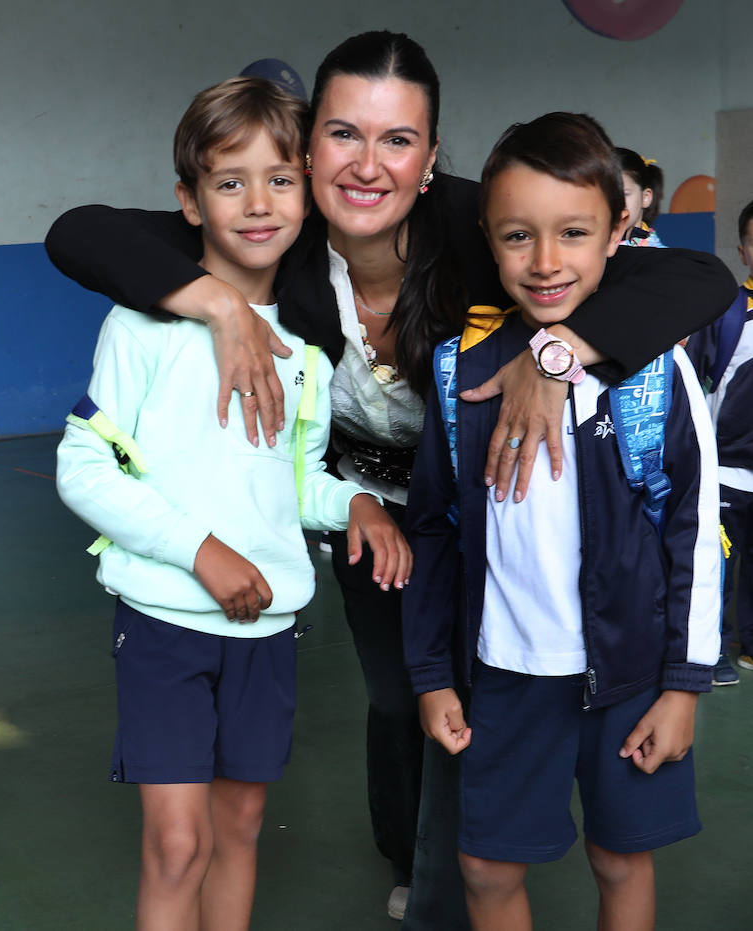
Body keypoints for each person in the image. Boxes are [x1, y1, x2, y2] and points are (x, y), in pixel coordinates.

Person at [44, 31, 735, 925]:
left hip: (487, 499)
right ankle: (407, 853)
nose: (368, 165)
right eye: (342, 136)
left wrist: (557, 351)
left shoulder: (477, 228)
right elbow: (78, 235)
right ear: (305, 148)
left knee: (490, 686)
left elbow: (698, 276)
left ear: (431, 157)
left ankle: (453, 882)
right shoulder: (277, 236)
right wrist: (215, 304)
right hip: (364, 502)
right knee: (402, 688)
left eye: (398, 140)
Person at [57, 75, 410, 931]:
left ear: (310, 196)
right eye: (229, 181)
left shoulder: (306, 353)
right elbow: (82, 468)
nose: (258, 203)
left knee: (241, 825)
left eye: (281, 180)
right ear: (190, 200)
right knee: (177, 843)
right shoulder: (141, 325)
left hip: (267, 628)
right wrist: (200, 549)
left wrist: (357, 501)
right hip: (166, 620)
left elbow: (293, 485)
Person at [405, 111, 719, 931]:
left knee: (621, 858)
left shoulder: (653, 371)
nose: (546, 262)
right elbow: (434, 527)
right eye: (517, 236)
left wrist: (683, 685)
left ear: (619, 229)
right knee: (485, 865)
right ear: (487, 236)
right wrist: (432, 672)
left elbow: (691, 529)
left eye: (573, 232)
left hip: (630, 674)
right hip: (505, 675)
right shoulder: (458, 373)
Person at [687, 198, 753, 681]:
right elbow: (694, 381)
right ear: (744, 251)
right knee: (718, 565)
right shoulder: (727, 313)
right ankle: (710, 653)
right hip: (727, 468)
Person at [616, 147, 665, 247]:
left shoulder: (660, 256)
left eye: (624, 194)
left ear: (645, 197)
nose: (614, 203)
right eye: (605, 195)